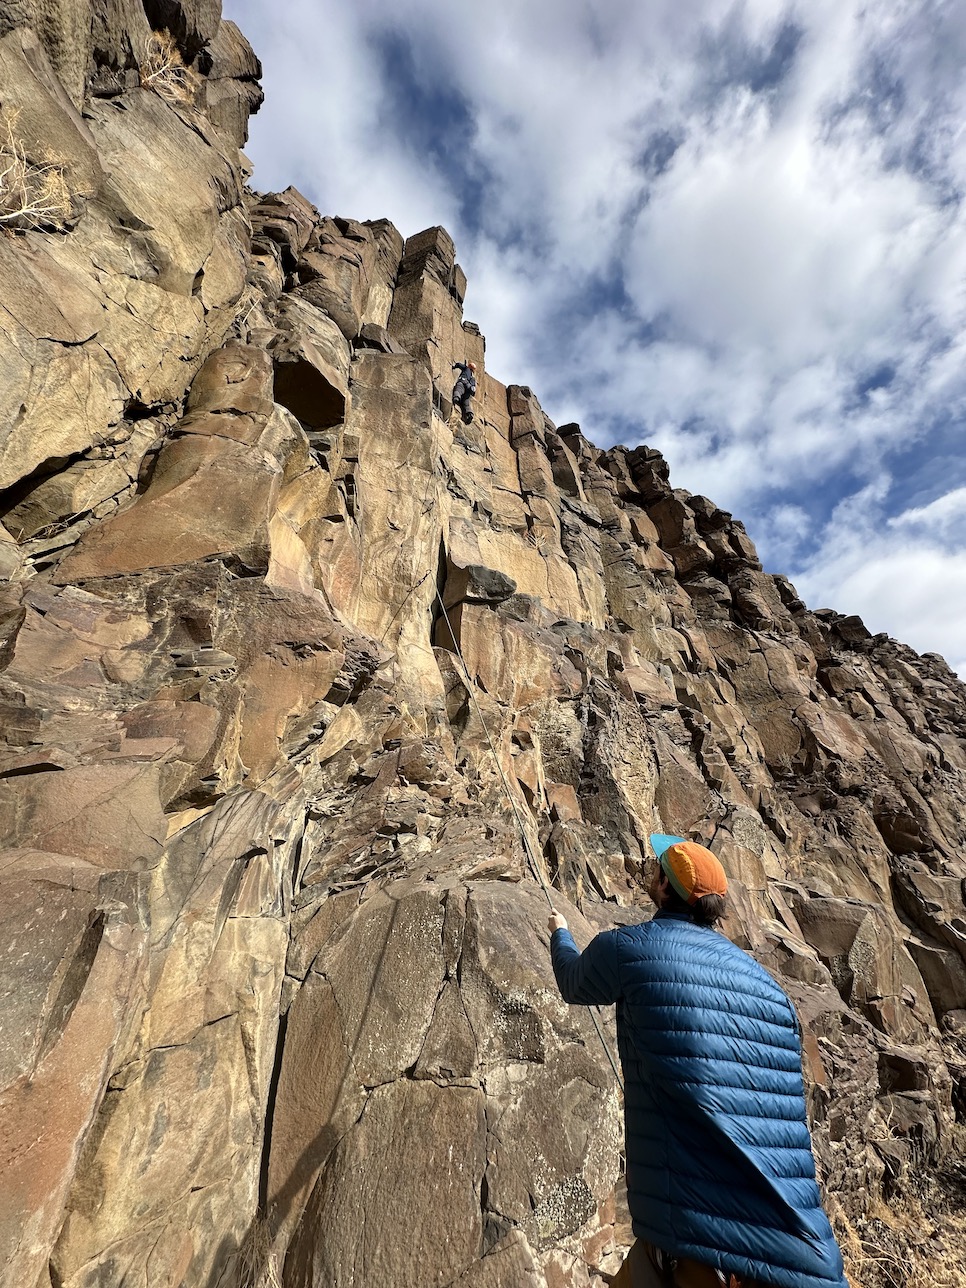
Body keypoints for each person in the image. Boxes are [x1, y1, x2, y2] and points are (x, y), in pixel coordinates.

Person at [548, 833, 848, 1288]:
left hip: (696, 1249)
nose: (651, 871)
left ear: (666, 890)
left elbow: (574, 984)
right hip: (802, 1256)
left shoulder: (630, 949)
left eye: (658, 868)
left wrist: (560, 932)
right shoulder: (771, 991)